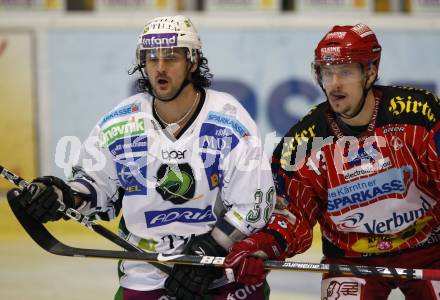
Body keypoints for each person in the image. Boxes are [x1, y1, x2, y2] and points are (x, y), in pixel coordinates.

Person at [7, 15, 275, 300]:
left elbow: (255, 203)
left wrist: (209, 252)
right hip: (147, 272)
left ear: (193, 61)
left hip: (221, 273)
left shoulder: (228, 119)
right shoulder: (121, 123)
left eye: (171, 57)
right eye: (151, 58)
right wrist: (60, 196)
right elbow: (96, 187)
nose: (159, 67)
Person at [224, 23, 440, 299]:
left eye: (346, 72)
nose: (334, 84)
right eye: (327, 73)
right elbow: (290, 213)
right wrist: (263, 244)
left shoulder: (420, 115)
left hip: (430, 251)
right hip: (351, 259)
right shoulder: (302, 141)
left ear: (371, 71)